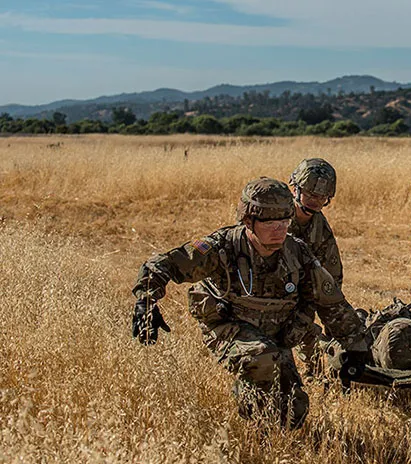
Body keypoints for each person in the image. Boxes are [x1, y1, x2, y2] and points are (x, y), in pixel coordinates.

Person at [131, 177, 367, 429]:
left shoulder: (297, 253)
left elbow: (332, 304)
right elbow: (162, 264)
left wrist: (356, 347)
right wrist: (146, 302)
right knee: (262, 359)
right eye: (270, 223)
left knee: (293, 412)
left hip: (276, 334)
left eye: (285, 222)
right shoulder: (222, 247)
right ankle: (250, 413)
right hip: (228, 326)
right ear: (248, 221)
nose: (279, 230)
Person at [287, 158, 343, 379]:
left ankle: (316, 370)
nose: (315, 201)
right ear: (295, 188)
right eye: (310, 195)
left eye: (321, 197)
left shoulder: (320, 228)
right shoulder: (274, 216)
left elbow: (333, 279)